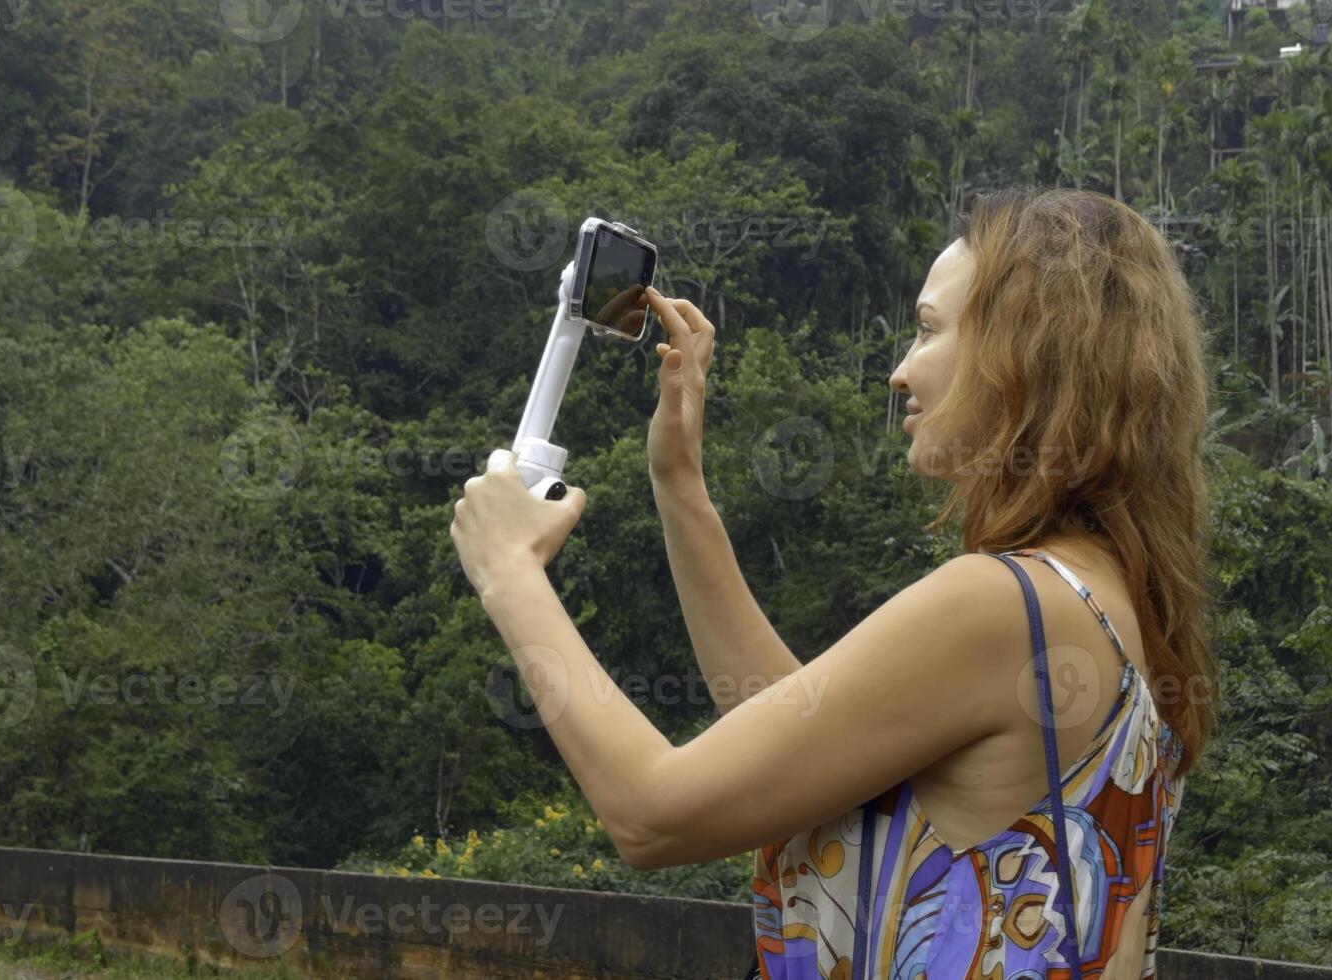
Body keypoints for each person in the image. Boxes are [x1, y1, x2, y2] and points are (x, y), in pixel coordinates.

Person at [448, 184, 1218, 980]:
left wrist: (510, 572)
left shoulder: (1003, 604)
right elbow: (790, 738)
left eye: (927, 331)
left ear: (1029, 348)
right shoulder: (1109, 603)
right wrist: (679, 480)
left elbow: (652, 817)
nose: (899, 373)